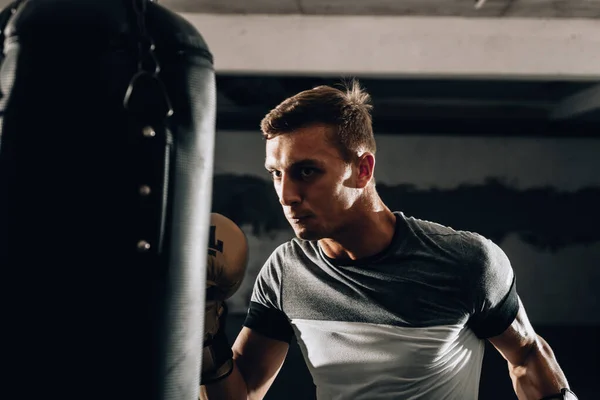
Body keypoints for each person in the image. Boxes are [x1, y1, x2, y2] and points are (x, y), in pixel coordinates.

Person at [200, 80, 578, 399]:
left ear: (362, 170)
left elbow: (527, 353)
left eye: (307, 171)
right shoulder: (286, 271)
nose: (286, 195)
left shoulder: (464, 261)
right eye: (276, 174)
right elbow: (245, 391)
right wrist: (206, 337)